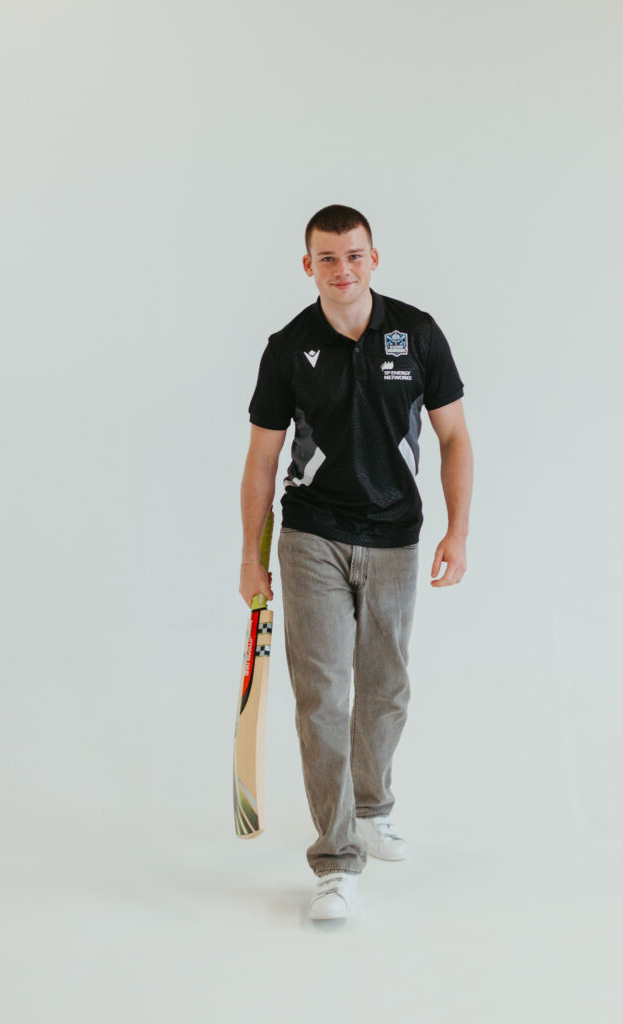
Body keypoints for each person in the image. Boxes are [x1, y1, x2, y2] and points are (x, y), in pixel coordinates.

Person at [239, 204, 472, 920]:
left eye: (353, 255)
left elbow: (454, 437)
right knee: (323, 698)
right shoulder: (288, 347)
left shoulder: (417, 334)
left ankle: (372, 805)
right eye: (327, 258)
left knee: (385, 690)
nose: (342, 269)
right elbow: (262, 458)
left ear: (374, 258)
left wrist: (457, 532)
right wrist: (251, 558)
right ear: (307, 266)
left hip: (396, 537)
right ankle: (336, 860)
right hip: (312, 535)